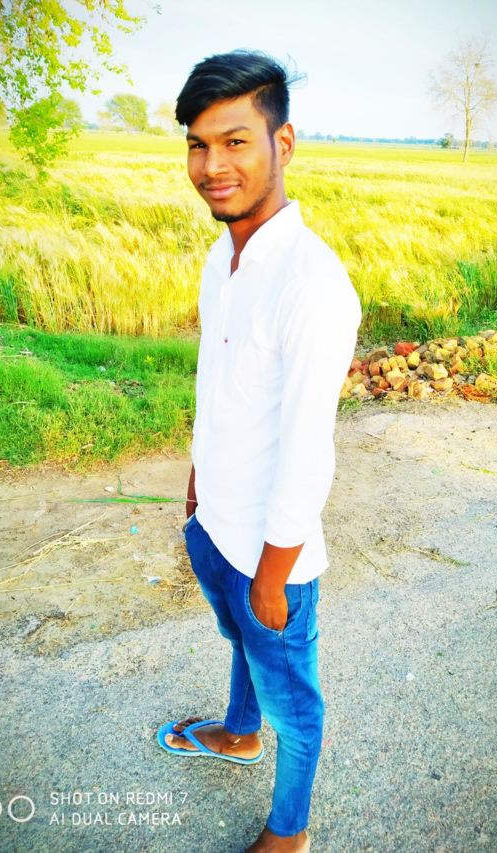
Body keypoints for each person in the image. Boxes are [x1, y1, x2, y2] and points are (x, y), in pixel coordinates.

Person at [157, 50, 362, 853]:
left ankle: (290, 833)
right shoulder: (225, 257)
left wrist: (273, 574)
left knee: (296, 705)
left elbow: (310, 448)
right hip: (217, 523)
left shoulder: (312, 284)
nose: (213, 166)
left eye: (235, 142)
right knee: (239, 643)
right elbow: (222, 387)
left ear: (284, 144)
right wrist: (198, 481)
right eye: (198, 145)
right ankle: (239, 735)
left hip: (275, 554)